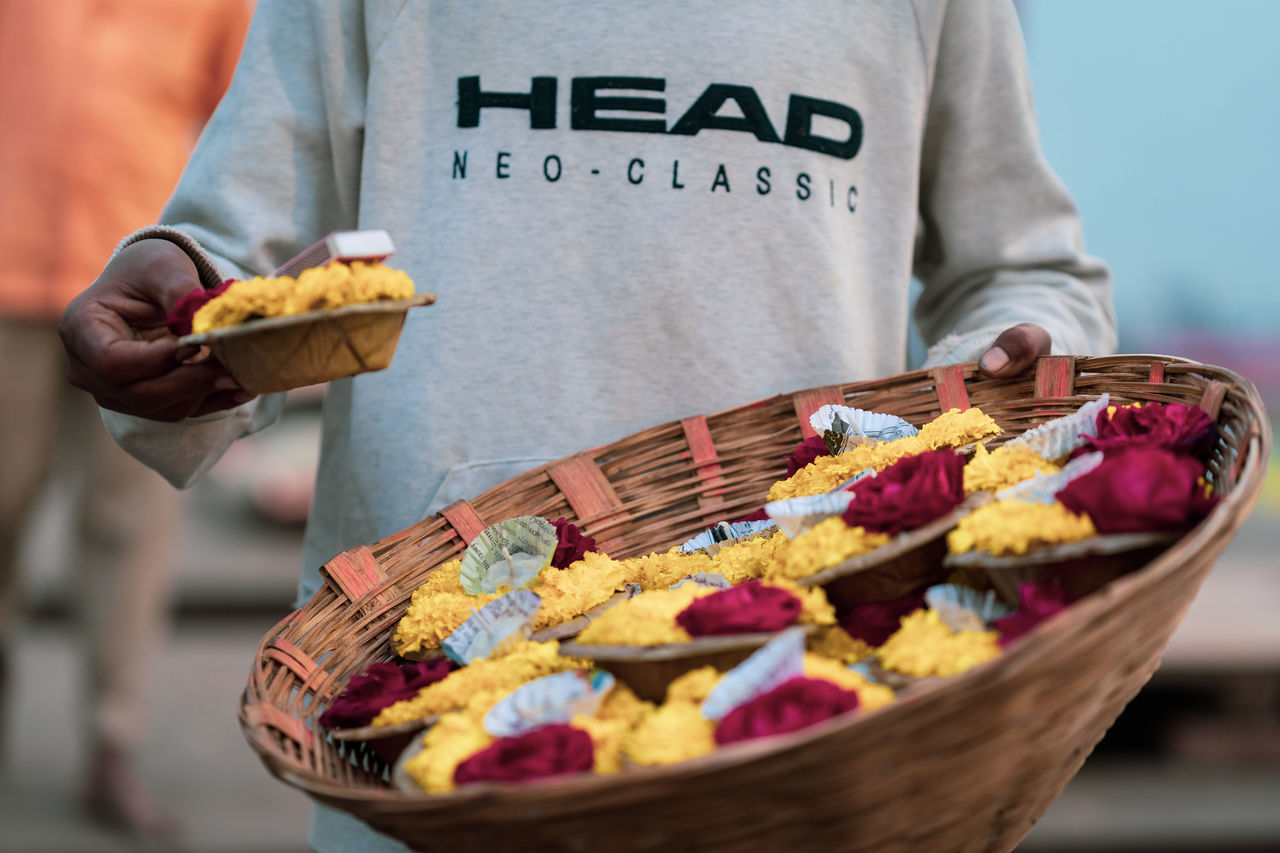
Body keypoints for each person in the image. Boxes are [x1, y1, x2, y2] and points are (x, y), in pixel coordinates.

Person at [57, 2, 1116, 850]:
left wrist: (1007, 362)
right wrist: (188, 314)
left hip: (786, 685)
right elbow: (240, 259)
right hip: (429, 687)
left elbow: (1019, 265)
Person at [0, 0, 252, 840]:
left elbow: (248, 133)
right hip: (5, 279)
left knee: (131, 528)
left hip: (147, 291)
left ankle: (113, 743)